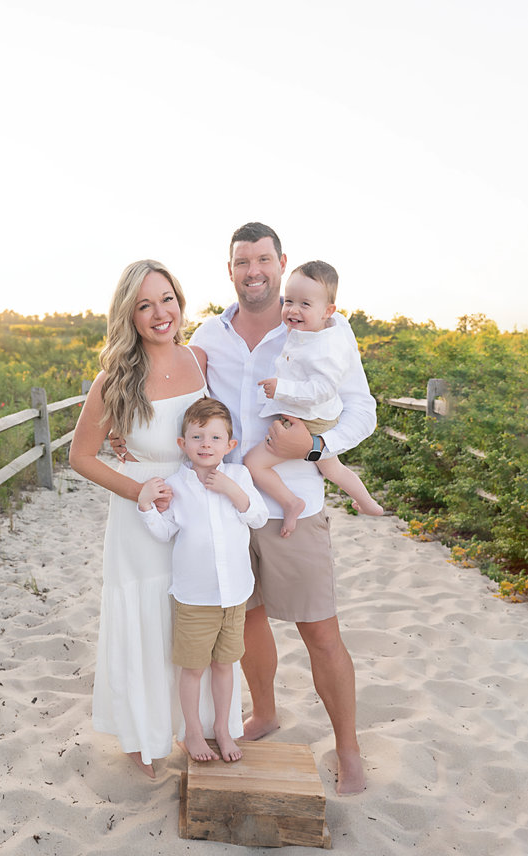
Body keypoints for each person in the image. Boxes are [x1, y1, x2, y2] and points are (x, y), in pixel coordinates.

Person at [111, 223, 377, 794]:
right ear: (229, 269)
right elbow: (163, 382)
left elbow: (362, 408)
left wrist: (316, 447)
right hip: (220, 512)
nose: (253, 271)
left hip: (293, 504)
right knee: (245, 620)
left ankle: (349, 748)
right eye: (241, 262)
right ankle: (265, 712)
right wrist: (122, 430)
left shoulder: (323, 329)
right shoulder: (209, 333)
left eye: (263, 260)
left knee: (319, 629)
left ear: (281, 262)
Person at [69, 259, 243, 779]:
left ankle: (202, 726)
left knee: (195, 616)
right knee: (147, 618)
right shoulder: (115, 378)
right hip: (141, 519)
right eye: (144, 304)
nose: (159, 313)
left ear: (180, 301)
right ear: (129, 314)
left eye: (166, 299)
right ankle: (144, 735)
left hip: (198, 511)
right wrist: (138, 488)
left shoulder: (200, 359)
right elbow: (83, 456)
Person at [137, 397, 268, 763]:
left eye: (214, 438)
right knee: (193, 668)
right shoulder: (177, 486)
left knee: (225, 665)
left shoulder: (238, 476)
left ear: (230, 445)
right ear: (183, 444)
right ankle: (193, 732)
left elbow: (257, 518)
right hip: (195, 597)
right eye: (197, 437)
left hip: (235, 594)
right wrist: (146, 505)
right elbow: (165, 533)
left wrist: (231, 490)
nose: (206, 445)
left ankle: (223, 730)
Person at [244, 259, 383, 538]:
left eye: (305, 304)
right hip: (314, 418)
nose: (294, 310)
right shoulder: (308, 332)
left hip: (310, 421)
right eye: (290, 301)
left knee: (254, 464)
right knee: (333, 468)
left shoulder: (327, 347)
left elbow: (323, 389)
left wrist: (282, 389)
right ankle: (368, 503)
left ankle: (290, 502)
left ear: (327, 311)